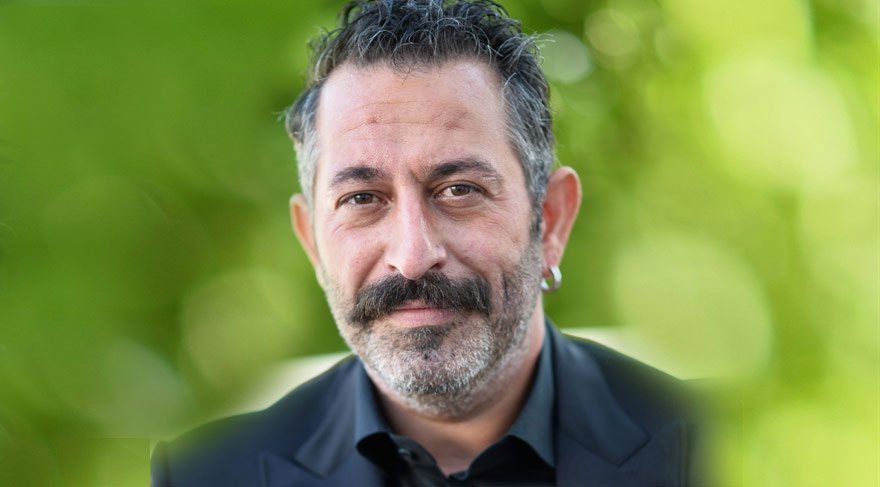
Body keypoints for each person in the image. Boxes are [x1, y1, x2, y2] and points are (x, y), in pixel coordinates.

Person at [151, 1, 701, 485]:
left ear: (551, 219)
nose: (412, 257)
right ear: (312, 241)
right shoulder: (205, 476)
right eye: (362, 198)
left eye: (459, 190)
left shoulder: (705, 448)